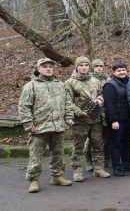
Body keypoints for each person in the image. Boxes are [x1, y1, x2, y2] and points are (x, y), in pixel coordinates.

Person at [19, 58, 74, 193]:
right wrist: (28, 123)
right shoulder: (31, 86)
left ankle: (57, 176)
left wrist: (68, 119)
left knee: (58, 154)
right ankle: (34, 180)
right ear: (38, 69)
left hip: (58, 126)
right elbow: (24, 106)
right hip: (38, 128)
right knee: (36, 156)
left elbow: (67, 104)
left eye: (50, 66)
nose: (48, 68)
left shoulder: (61, 85)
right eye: (45, 67)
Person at [65, 57, 110, 181]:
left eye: (86, 65)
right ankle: (77, 171)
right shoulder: (70, 83)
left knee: (98, 144)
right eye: (81, 65)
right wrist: (80, 112)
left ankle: (98, 169)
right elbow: (67, 102)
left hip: (96, 119)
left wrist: (100, 100)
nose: (84, 67)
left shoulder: (95, 81)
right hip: (80, 121)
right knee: (79, 147)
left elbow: (101, 93)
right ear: (77, 67)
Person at [103, 61, 130, 176]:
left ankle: (127, 163)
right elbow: (109, 104)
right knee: (116, 143)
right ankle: (117, 166)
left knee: (128, 143)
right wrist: (114, 120)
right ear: (113, 72)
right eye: (119, 70)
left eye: (123, 70)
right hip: (118, 120)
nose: (122, 72)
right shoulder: (110, 85)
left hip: (129, 119)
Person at [85, 59, 112, 171]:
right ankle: (88, 160)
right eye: (96, 66)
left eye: (101, 66)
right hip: (93, 111)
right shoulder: (88, 79)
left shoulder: (108, 79)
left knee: (107, 137)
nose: (99, 68)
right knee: (90, 139)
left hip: (106, 111)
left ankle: (107, 158)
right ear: (93, 68)